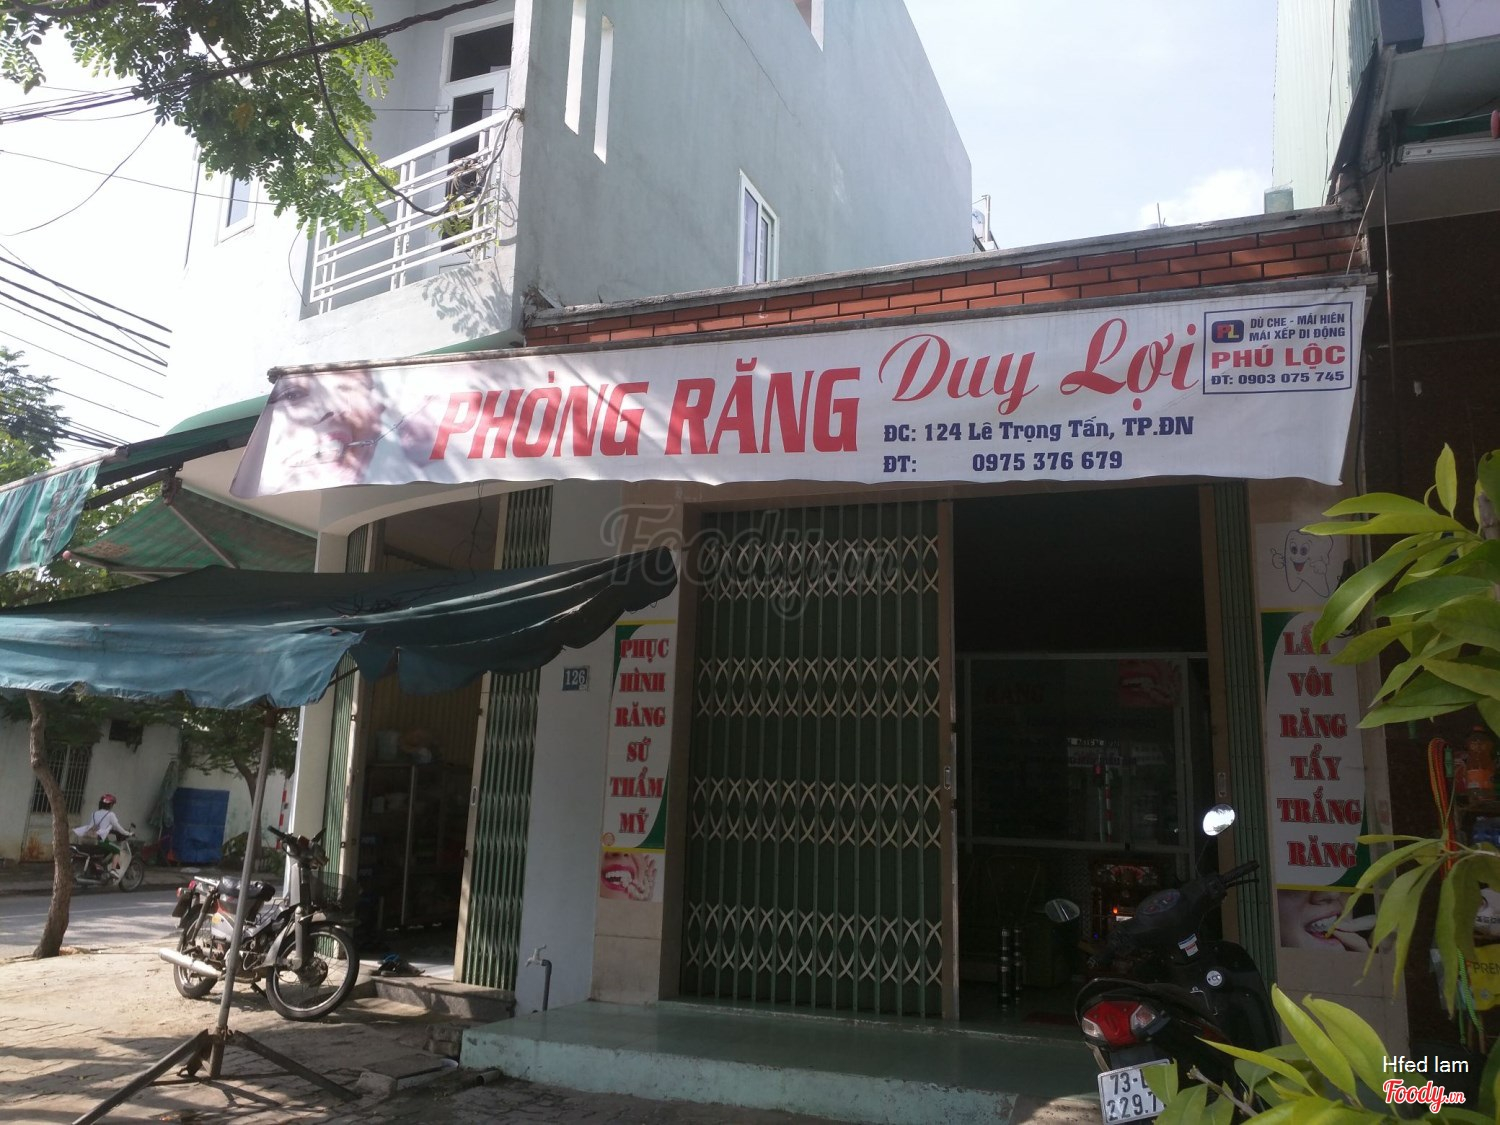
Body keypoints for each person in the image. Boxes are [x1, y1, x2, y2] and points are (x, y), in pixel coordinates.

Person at [73, 794, 130, 877]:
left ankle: (101, 868)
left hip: (90, 840)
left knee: (108, 848)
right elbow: (118, 827)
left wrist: (107, 830)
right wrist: (127, 833)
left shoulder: (94, 813)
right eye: (112, 804)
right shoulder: (110, 814)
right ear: (110, 805)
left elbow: (92, 827)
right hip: (100, 841)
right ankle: (113, 870)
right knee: (117, 850)